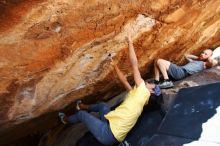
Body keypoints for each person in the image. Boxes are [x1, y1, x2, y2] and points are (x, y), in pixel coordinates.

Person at [58, 34, 161, 146]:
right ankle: (81, 106)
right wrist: (114, 65)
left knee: (82, 115)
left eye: (152, 85)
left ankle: (66, 120)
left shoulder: (143, 92)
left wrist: (130, 42)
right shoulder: (138, 97)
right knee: (102, 106)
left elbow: (134, 64)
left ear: (151, 92)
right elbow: (124, 81)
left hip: (108, 134)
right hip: (111, 125)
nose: (149, 83)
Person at [154, 49, 218, 89]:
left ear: (209, 57)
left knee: (160, 61)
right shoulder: (197, 61)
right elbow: (186, 55)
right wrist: (198, 58)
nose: (202, 54)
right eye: (202, 52)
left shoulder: (205, 65)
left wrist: (209, 57)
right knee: (156, 61)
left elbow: (213, 62)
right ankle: (156, 81)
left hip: (182, 72)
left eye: (205, 54)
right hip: (179, 70)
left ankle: (167, 81)